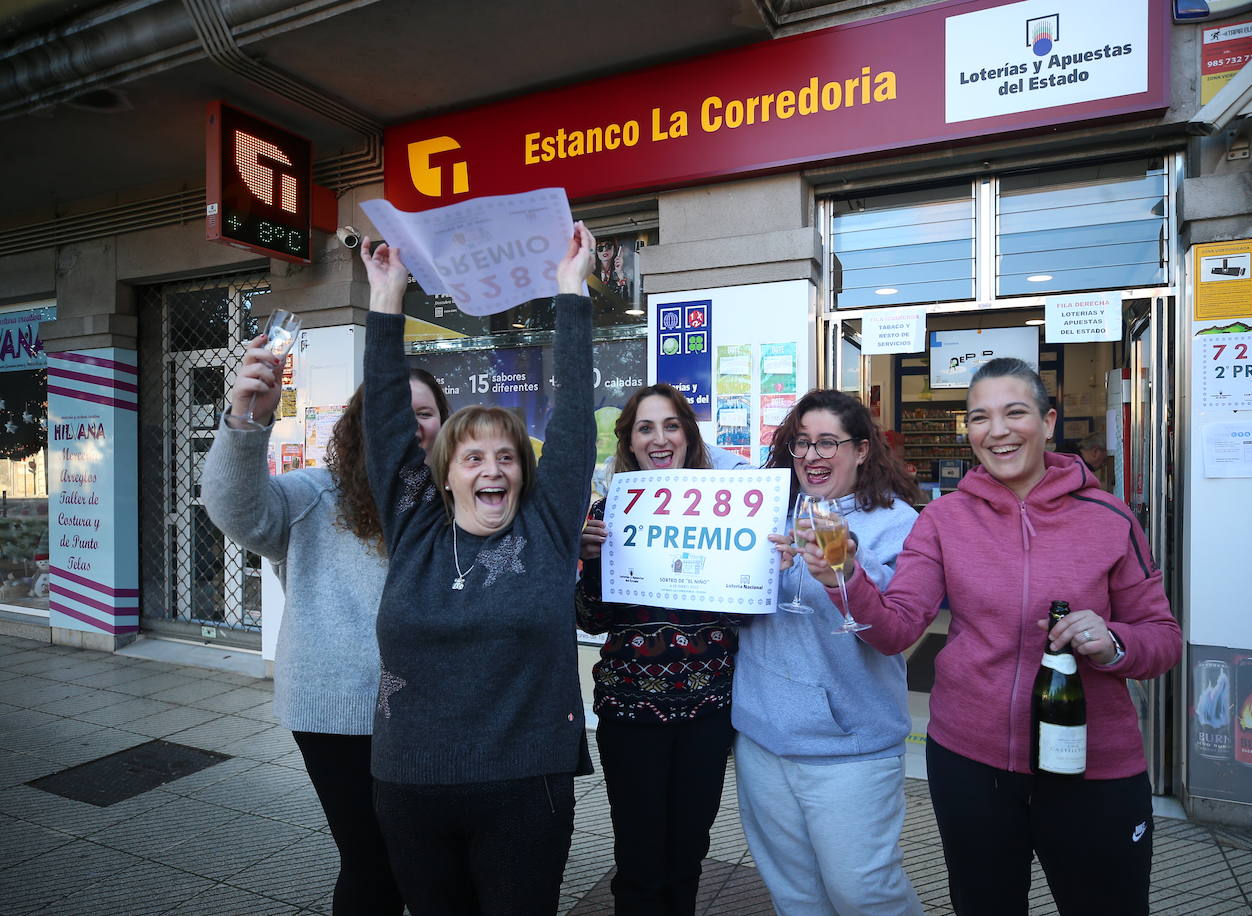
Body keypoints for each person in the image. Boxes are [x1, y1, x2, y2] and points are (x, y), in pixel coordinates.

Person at [806, 358, 1181, 916]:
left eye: (1015, 413)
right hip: (969, 760)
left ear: (1049, 422)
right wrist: (847, 577)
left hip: (1092, 764)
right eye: (980, 417)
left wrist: (1114, 642)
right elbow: (896, 628)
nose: (997, 431)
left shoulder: (1108, 515)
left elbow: (1163, 639)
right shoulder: (943, 518)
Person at [357, 223, 597, 915]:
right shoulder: (414, 528)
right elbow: (385, 418)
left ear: (524, 470)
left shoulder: (547, 529)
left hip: (528, 788)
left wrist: (569, 290)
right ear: (446, 473)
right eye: (472, 457)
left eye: (507, 457)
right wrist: (386, 299)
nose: (492, 469)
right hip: (409, 786)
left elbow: (577, 418)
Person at [203, 346, 450, 916]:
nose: (409, 425)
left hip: (434, 715)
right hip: (340, 714)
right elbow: (232, 508)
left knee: (427, 860)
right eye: (392, 410)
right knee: (371, 861)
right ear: (361, 423)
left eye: (423, 412)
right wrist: (247, 419)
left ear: (444, 423)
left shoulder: (456, 498)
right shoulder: (315, 494)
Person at [732, 388, 926, 915]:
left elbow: (894, 626)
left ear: (862, 450)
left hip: (851, 749)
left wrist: (848, 565)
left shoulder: (897, 523)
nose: (812, 456)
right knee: (795, 895)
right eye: (801, 444)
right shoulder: (767, 511)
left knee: (864, 892)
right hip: (762, 740)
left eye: (827, 443)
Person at [575, 383, 740, 915]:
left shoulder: (725, 507)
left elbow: (744, 613)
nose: (660, 437)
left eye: (671, 425)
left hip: (707, 710)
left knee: (689, 852)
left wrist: (763, 567)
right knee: (640, 860)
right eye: (646, 427)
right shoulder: (611, 509)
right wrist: (592, 562)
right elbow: (592, 619)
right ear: (629, 440)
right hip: (631, 712)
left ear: (689, 438)